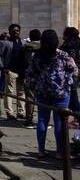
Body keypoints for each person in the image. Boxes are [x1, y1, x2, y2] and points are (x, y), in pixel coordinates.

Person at [24, 29, 79, 159]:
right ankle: (60, 152)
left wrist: (34, 85)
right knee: (60, 121)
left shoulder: (37, 56)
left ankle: (41, 151)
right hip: (61, 91)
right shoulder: (63, 55)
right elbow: (75, 71)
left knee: (42, 119)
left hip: (42, 91)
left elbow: (30, 73)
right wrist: (67, 78)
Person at [18, 29, 41, 129]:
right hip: (42, 77)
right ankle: (42, 121)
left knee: (30, 99)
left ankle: (29, 121)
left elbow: (20, 63)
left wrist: (20, 75)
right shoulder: (45, 47)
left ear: (30, 37)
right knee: (42, 99)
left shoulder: (24, 47)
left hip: (29, 76)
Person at [2, 24, 26, 120]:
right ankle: (9, 112)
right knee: (9, 92)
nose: (15, 32)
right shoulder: (6, 43)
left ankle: (21, 111)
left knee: (21, 91)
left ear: (19, 32)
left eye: (17, 30)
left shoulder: (23, 43)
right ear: (9, 32)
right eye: (13, 30)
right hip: (10, 70)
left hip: (21, 71)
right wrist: (4, 67)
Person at [59, 26, 80, 112]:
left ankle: (77, 114)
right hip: (76, 71)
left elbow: (71, 58)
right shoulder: (77, 43)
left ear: (67, 35)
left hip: (70, 73)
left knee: (72, 94)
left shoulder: (69, 45)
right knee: (73, 93)